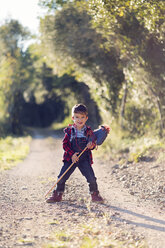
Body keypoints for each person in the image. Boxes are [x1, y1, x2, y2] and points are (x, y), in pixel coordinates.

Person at [46, 103, 110, 203]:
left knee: (91, 178)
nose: (79, 120)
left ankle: (95, 194)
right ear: (73, 118)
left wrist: (91, 145)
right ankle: (58, 194)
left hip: (84, 159)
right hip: (71, 158)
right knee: (62, 177)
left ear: (86, 118)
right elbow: (65, 144)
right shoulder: (69, 131)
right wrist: (72, 154)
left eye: (82, 117)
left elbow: (93, 143)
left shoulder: (89, 132)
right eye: (77, 117)